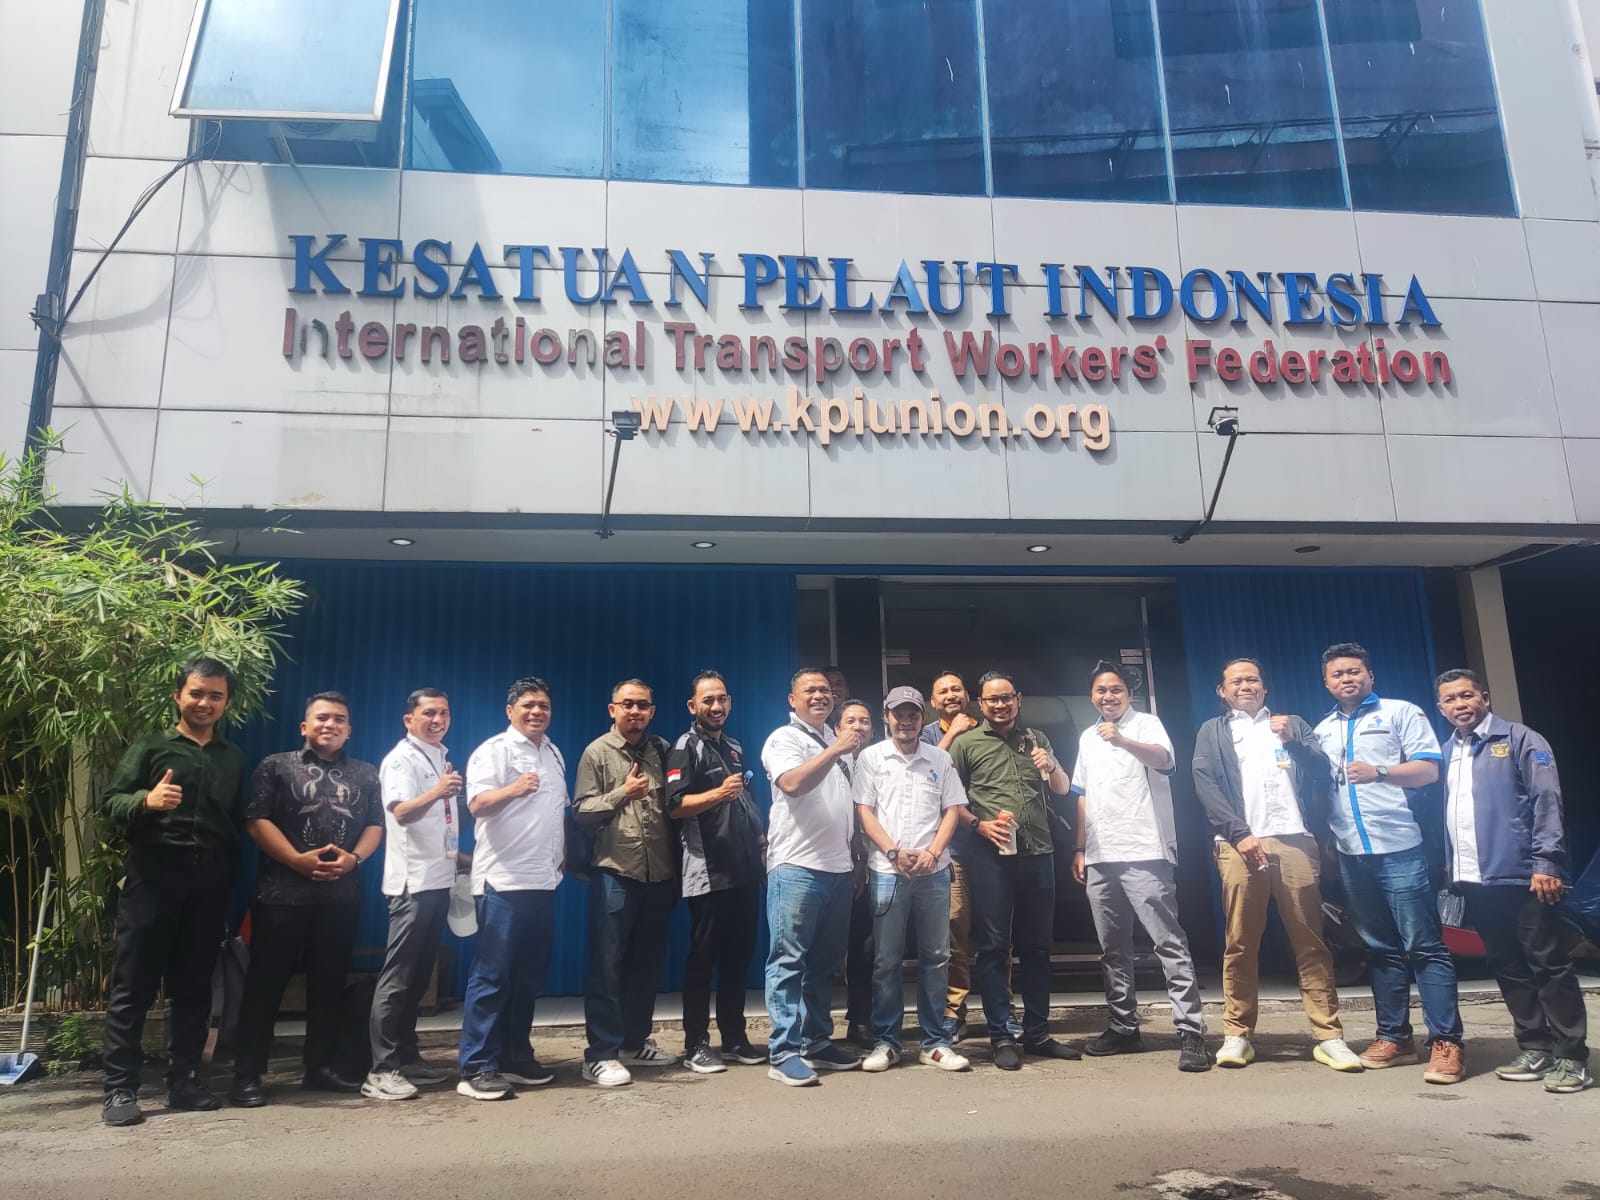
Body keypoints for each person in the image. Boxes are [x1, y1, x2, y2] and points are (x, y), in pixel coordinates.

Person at [1191, 659, 1360, 1072]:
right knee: (1240, 941)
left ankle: (1329, 1036)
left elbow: (1323, 771)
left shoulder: (1291, 724)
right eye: (1236, 681)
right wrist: (1239, 833)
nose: (1245, 685)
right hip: (1238, 844)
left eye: (1253, 679)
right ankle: (1237, 1034)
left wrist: (1294, 741)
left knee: (1310, 941)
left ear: (1265, 687)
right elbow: (1205, 785)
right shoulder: (1213, 731)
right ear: (1222, 691)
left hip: (1295, 840)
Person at [98, 658, 246, 1127]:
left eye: (216, 696)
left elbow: (235, 821)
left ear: (227, 703)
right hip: (154, 877)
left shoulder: (231, 756)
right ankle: (120, 1089)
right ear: (178, 695)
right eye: (196, 693)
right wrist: (146, 801)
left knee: (194, 987)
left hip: (209, 883)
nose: (205, 703)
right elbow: (109, 803)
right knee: (134, 986)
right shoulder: (151, 746)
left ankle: (184, 1081)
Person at [1436, 669, 1591, 1094]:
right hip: (1475, 878)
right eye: (1450, 699)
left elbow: (1547, 801)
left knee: (1548, 963)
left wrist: (1547, 862)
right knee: (1506, 963)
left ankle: (1571, 1055)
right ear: (1441, 708)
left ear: (1484, 698)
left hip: (1525, 876)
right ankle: (1535, 1045)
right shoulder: (1449, 750)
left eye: (1467, 695)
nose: (1460, 704)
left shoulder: (1521, 739)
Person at [1313, 642, 1462, 1084]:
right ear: (1327, 683)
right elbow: (1326, 792)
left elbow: (1429, 770)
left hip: (1400, 848)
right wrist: (1327, 844)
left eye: (1354, 671)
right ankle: (1395, 1038)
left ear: (1370, 676)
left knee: (1425, 946)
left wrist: (1380, 772)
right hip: (1351, 853)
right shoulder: (1323, 730)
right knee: (1378, 949)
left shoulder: (1400, 712)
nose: (1347, 679)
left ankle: (1447, 1042)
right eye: (1338, 674)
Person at [231, 692, 384, 1107]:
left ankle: (320, 1067)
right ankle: (248, 1074)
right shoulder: (276, 766)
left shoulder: (366, 773)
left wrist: (354, 860)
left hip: (341, 895)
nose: (330, 724)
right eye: (322, 718)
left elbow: (375, 824)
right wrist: (295, 860)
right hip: (281, 896)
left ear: (349, 730)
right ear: (305, 726)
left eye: (339, 719)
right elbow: (256, 820)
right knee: (265, 985)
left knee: (329, 984)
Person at [1072, 662, 1209, 1072]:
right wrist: (1080, 847)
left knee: (1168, 942)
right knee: (1113, 949)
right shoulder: (1087, 736)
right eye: (1101, 690)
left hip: (1145, 850)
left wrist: (1124, 739)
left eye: (1115, 689)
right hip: (1101, 855)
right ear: (1092, 696)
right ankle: (1123, 1026)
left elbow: (1164, 760)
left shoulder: (1147, 724)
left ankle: (1191, 1030)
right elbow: (1082, 794)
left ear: (1129, 694)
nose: (1108, 696)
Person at [949, 670, 1079, 1070]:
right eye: (992, 699)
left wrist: (1050, 764)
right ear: (981, 703)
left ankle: (1038, 1032)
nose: (1001, 705)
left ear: (1018, 699)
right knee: (993, 947)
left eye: (1007, 698)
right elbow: (949, 801)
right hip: (991, 857)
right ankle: (1002, 1035)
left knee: (1038, 947)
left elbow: (1062, 788)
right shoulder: (966, 744)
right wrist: (979, 825)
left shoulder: (1036, 739)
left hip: (1039, 853)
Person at [457, 677, 569, 1100]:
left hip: (544, 881)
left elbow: (557, 812)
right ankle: (477, 1066)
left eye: (544, 706)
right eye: (528, 705)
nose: (537, 712)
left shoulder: (554, 753)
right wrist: (514, 788)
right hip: (502, 881)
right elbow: (476, 804)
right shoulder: (494, 751)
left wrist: (560, 858)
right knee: (492, 976)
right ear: (510, 711)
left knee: (527, 977)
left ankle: (515, 1056)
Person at [853, 687, 971, 1073]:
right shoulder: (871, 758)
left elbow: (952, 810)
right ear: (886, 717)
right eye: (898, 714)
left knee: (936, 958)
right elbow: (864, 811)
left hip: (933, 873)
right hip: (888, 872)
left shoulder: (939, 758)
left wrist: (933, 852)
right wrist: (892, 852)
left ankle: (935, 1043)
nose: (906, 721)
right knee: (886, 960)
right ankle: (886, 1042)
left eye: (913, 715)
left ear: (923, 718)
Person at [760, 668, 868, 1086]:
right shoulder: (784, 739)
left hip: (838, 869)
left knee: (824, 964)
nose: (821, 695)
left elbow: (846, 807)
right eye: (810, 690)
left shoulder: (836, 744)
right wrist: (836, 748)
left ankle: (816, 1041)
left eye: (826, 690)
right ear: (793, 699)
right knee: (788, 961)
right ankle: (783, 1051)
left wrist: (855, 860)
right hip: (797, 866)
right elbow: (792, 783)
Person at [364, 688, 466, 1101]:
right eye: (429, 713)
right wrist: (439, 791)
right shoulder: (401, 759)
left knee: (421, 975)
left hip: (439, 880)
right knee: (399, 977)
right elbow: (401, 812)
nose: (438, 720)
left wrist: (463, 859)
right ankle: (381, 1069)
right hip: (413, 884)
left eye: (444, 712)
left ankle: (407, 1056)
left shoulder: (438, 756)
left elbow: (438, 824)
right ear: (409, 720)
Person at [574, 679, 677, 1087]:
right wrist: (623, 793)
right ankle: (600, 1054)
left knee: (646, 965)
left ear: (652, 711)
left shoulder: (662, 750)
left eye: (643, 705)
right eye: (628, 704)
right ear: (612, 709)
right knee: (607, 966)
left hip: (659, 874)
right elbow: (582, 811)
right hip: (615, 872)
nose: (635, 711)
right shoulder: (597, 752)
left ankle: (634, 1043)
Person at [666, 671, 768, 1074]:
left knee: (738, 958)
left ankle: (734, 1038)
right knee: (703, 960)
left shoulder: (735, 747)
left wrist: (761, 842)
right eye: (708, 700)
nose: (716, 706)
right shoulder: (684, 747)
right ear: (693, 706)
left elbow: (747, 801)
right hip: (708, 870)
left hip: (745, 869)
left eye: (722, 699)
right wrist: (717, 794)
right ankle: (695, 1044)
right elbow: (676, 806)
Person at [921, 671, 982, 1041]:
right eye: (942, 691)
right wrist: (953, 733)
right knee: (953, 932)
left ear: (967, 695)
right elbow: (924, 773)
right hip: (951, 849)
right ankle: (954, 1011)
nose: (950, 695)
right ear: (933, 702)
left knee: (996, 933)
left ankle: (1002, 1010)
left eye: (956, 689)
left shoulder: (988, 727)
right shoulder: (926, 735)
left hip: (992, 847)